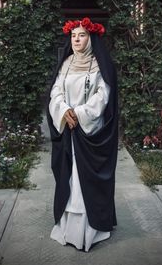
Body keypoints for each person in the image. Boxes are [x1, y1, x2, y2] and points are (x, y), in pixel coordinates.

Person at [47, 17, 118, 252]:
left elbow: (103, 95)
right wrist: (65, 110)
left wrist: (80, 113)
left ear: (91, 38)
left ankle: (92, 228)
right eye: (73, 36)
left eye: (82, 35)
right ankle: (69, 227)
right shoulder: (65, 64)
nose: (76, 40)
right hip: (68, 128)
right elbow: (56, 91)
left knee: (86, 180)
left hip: (90, 131)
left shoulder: (100, 65)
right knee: (69, 178)